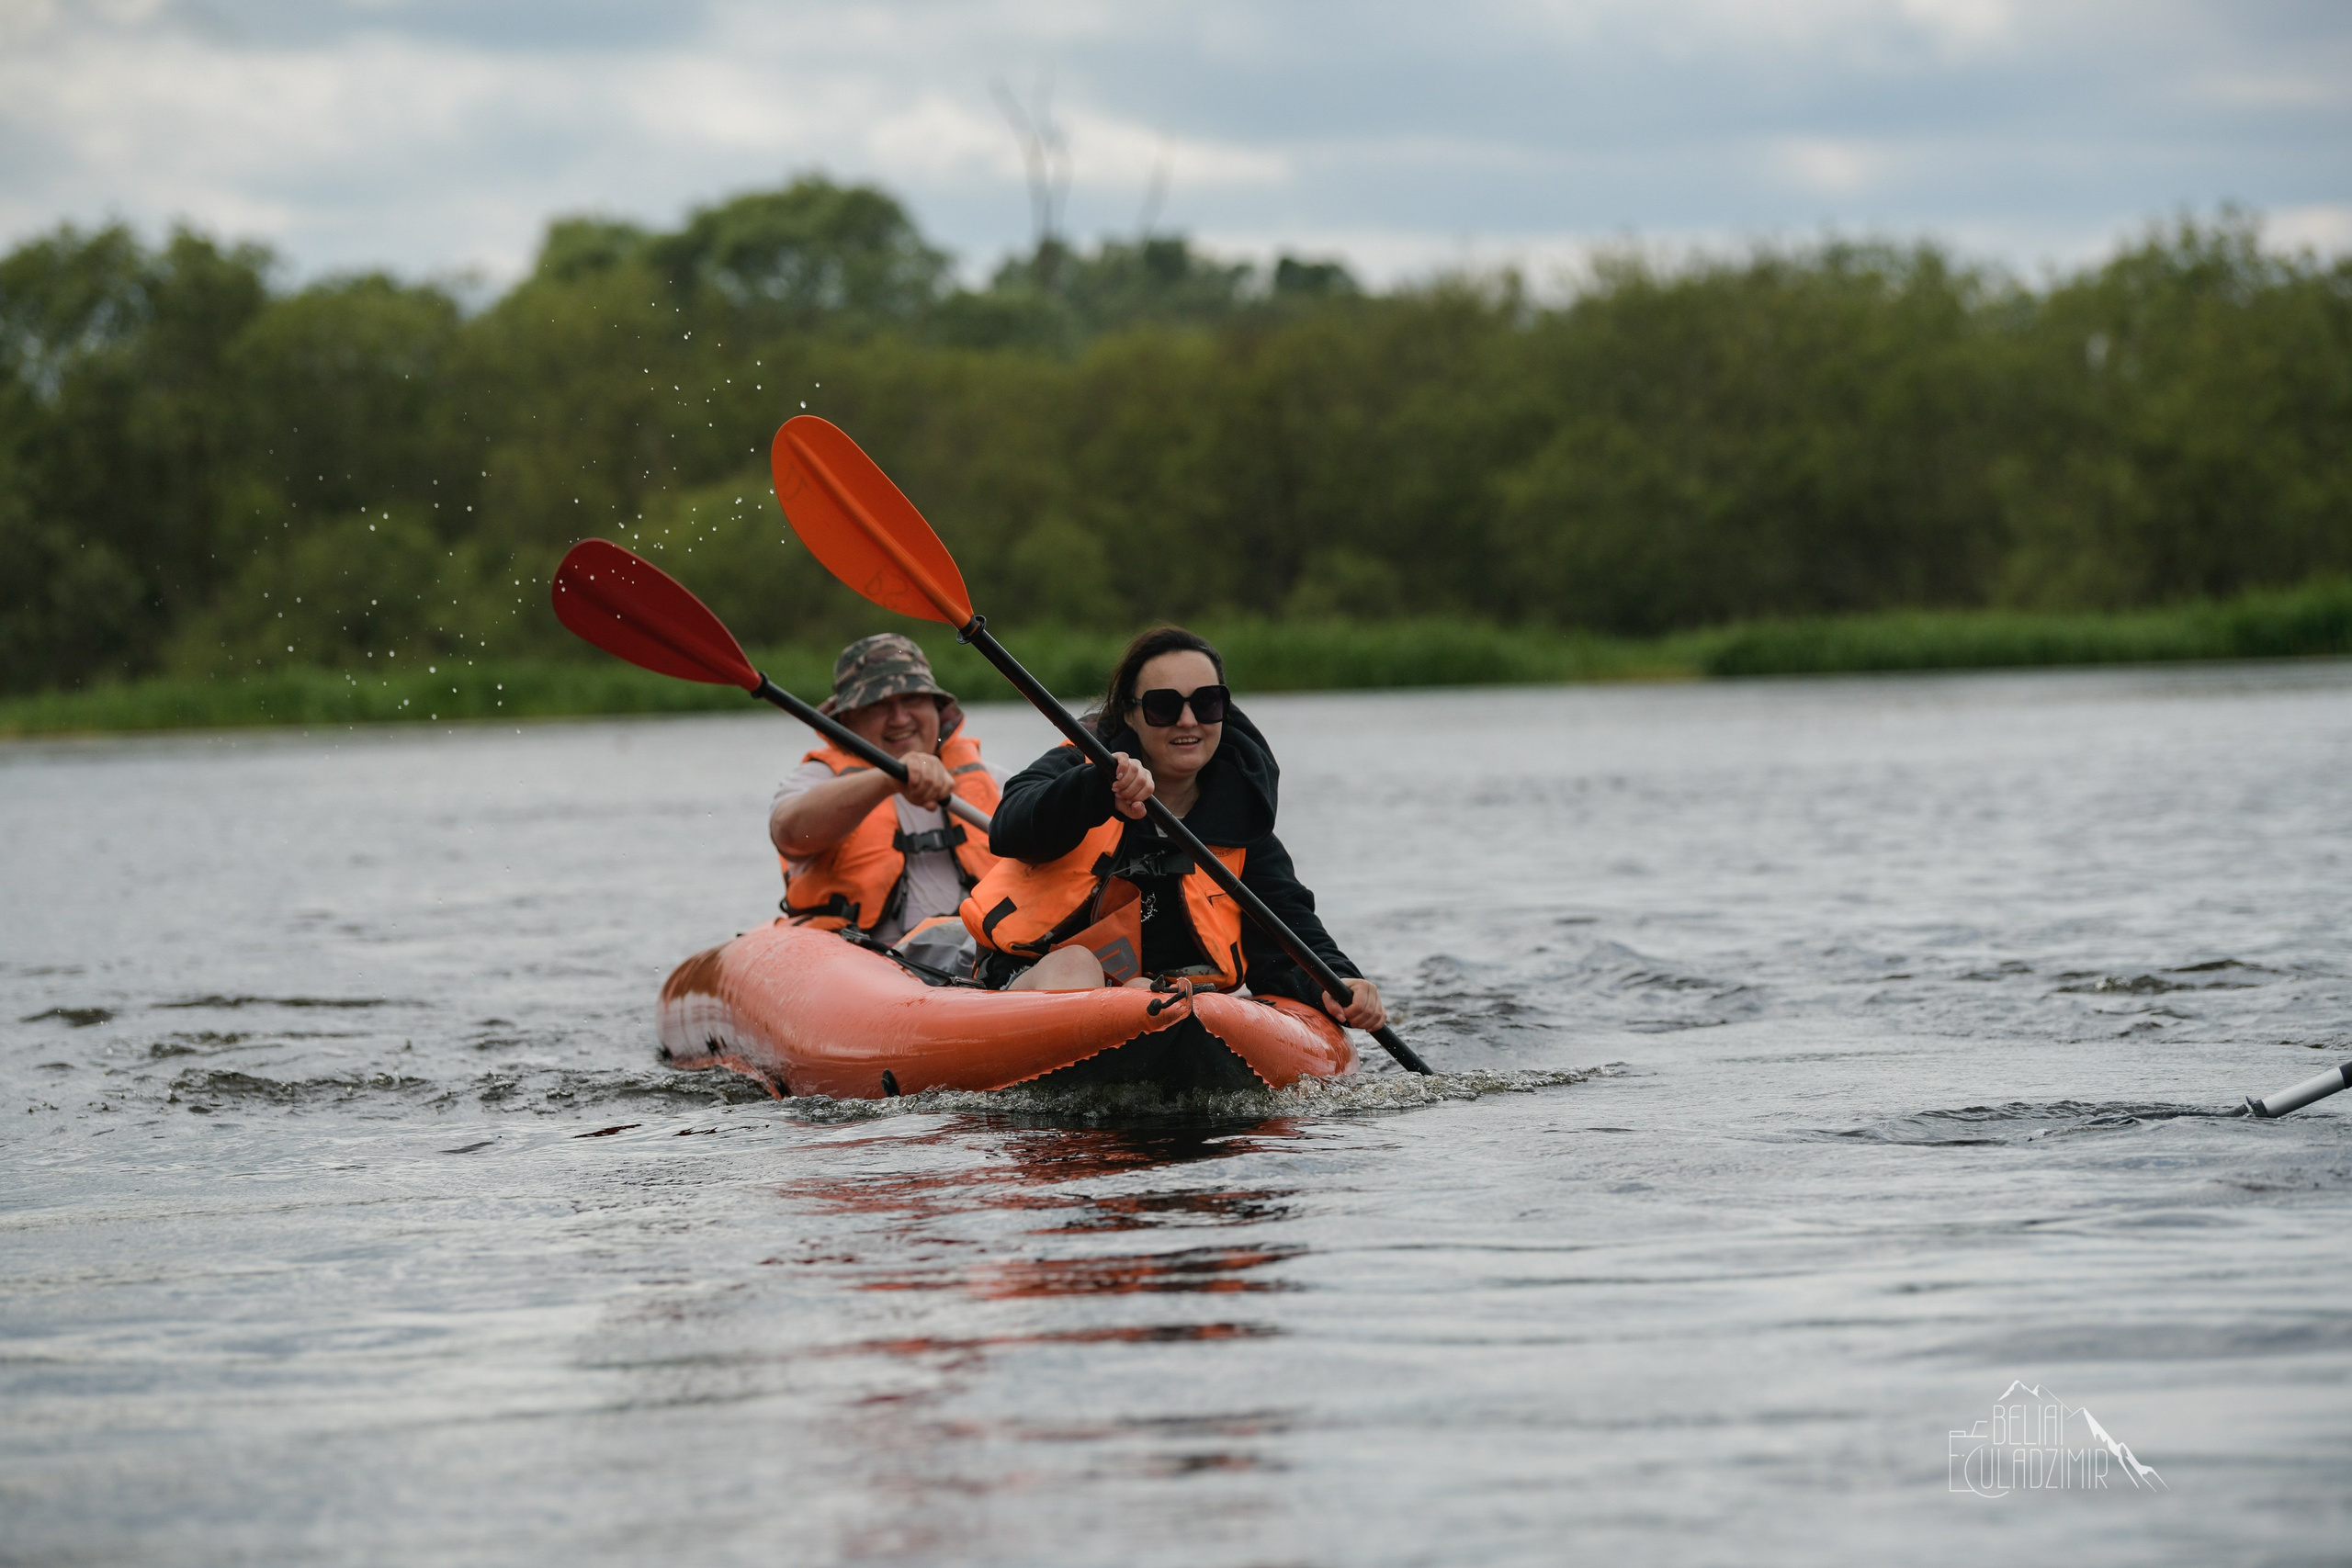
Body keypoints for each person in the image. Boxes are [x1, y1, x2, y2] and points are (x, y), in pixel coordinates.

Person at [960, 626, 1386, 1031]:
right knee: (1077, 965)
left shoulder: (1240, 822)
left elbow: (1290, 935)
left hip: (1155, 1003)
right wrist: (1097, 788)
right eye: (1164, 706)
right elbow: (1009, 828)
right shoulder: (1083, 764)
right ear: (1131, 714)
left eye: (1207, 703)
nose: (1187, 721)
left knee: (1145, 992)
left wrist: (1336, 982)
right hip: (1038, 979)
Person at [769, 634, 1001, 964]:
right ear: (846, 720)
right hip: (866, 964)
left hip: (979, 954)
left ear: (938, 709)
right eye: (878, 704)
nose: (900, 718)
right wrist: (889, 778)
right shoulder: (818, 778)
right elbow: (789, 834)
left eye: (913, 699)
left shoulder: (991, 781)